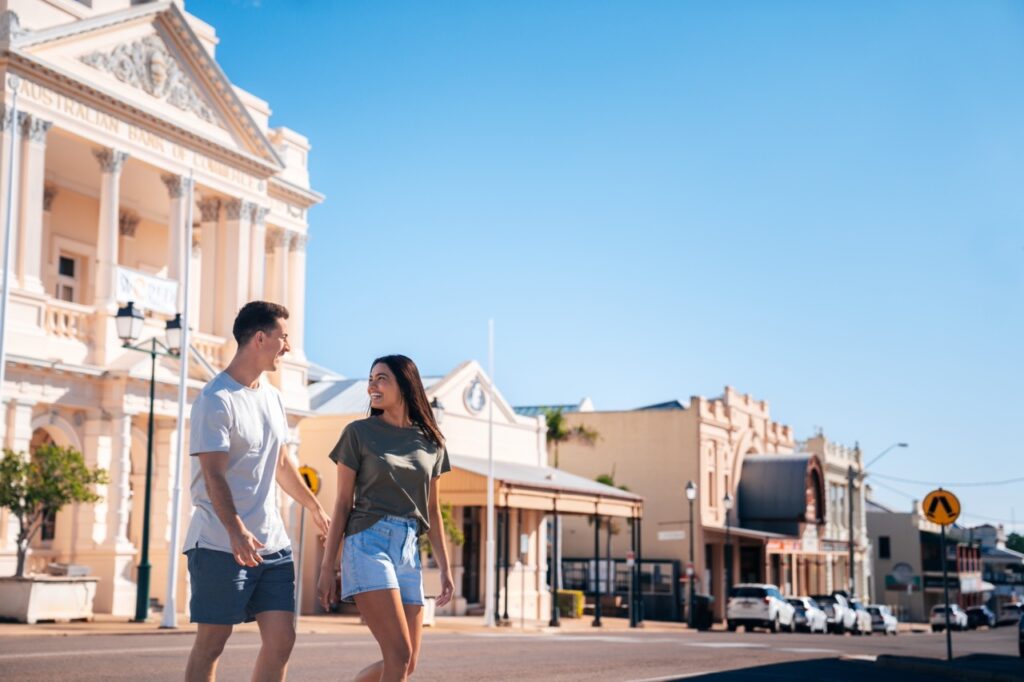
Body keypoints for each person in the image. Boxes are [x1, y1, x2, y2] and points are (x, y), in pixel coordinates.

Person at [183, 301, 331, 682]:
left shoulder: (272, 397)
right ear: (260, 338)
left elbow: (281, 463)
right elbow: (213, 475)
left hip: (273, 545)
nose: (288, 347)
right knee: (212, 643)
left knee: (282, 639)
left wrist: (314, 507)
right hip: (219, 543)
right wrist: (235, 530)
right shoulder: (216, 400)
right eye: (283, 337)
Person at [317, 354, 455, 682]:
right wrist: (327, 567)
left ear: (405, 385)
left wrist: (445, 568)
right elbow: (341, 503)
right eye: (370, 379)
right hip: (368, 543)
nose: (372, 386)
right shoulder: (358, 433)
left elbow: (432, 510)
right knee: (398, 654)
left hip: (409, 550)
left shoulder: (432, 442)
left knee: (407, 664)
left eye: (381, 379)